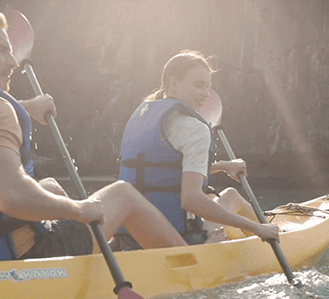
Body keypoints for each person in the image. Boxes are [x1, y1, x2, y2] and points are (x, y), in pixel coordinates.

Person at [0, 0, 186, 263]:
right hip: (20, 260)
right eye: (1, 50)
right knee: (123, 194)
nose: (12, 61)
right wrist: (78, 209)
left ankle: (100, 246)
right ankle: (188, 261)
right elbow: (9, 196)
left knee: (50, 186)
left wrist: (25, 107)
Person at [116, 50, 280, 249]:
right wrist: (255, 227)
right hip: (175, 239)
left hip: (128, 236)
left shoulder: (142, 118)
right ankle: (273, 236)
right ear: (174, 84)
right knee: (230, 196)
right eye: (198, 85)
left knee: (220, 197)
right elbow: (191, 200)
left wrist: (221, 166)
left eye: (208, 87)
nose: (206, 94)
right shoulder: (196, 129)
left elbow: (161, 173)